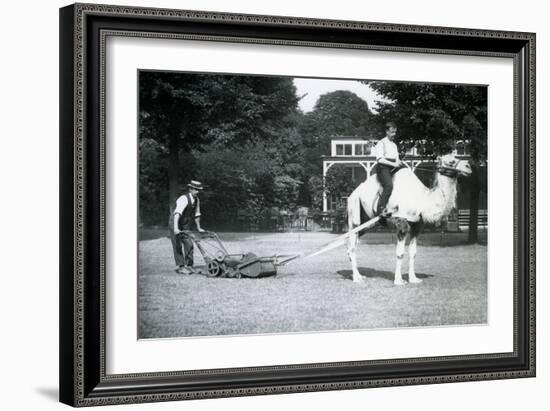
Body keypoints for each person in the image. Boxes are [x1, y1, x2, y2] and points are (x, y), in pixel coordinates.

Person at [169, 180, 205, 274]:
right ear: (191, 189)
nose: (197, 191)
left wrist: (199, 228)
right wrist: (176, 228)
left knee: (189, 244)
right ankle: (181, 267)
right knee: (177, 245)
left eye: (199, 190)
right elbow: (177, 214)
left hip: (185, 225)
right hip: (175, 222)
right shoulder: (183, 199)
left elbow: (197, 215)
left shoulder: (197, 200)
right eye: (196, 189)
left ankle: (189, 266)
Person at [373, 122, 402, 220]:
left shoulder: (394, 145)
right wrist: (394, 164)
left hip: (393, 167)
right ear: (386, 132)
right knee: (389, 185)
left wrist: (398, 162)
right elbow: (380, 159)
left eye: (395, 132)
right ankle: (381, 209)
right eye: (392, 132)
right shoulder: (381, 143)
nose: (394, 134)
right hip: (383, 168)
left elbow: (397, 158)